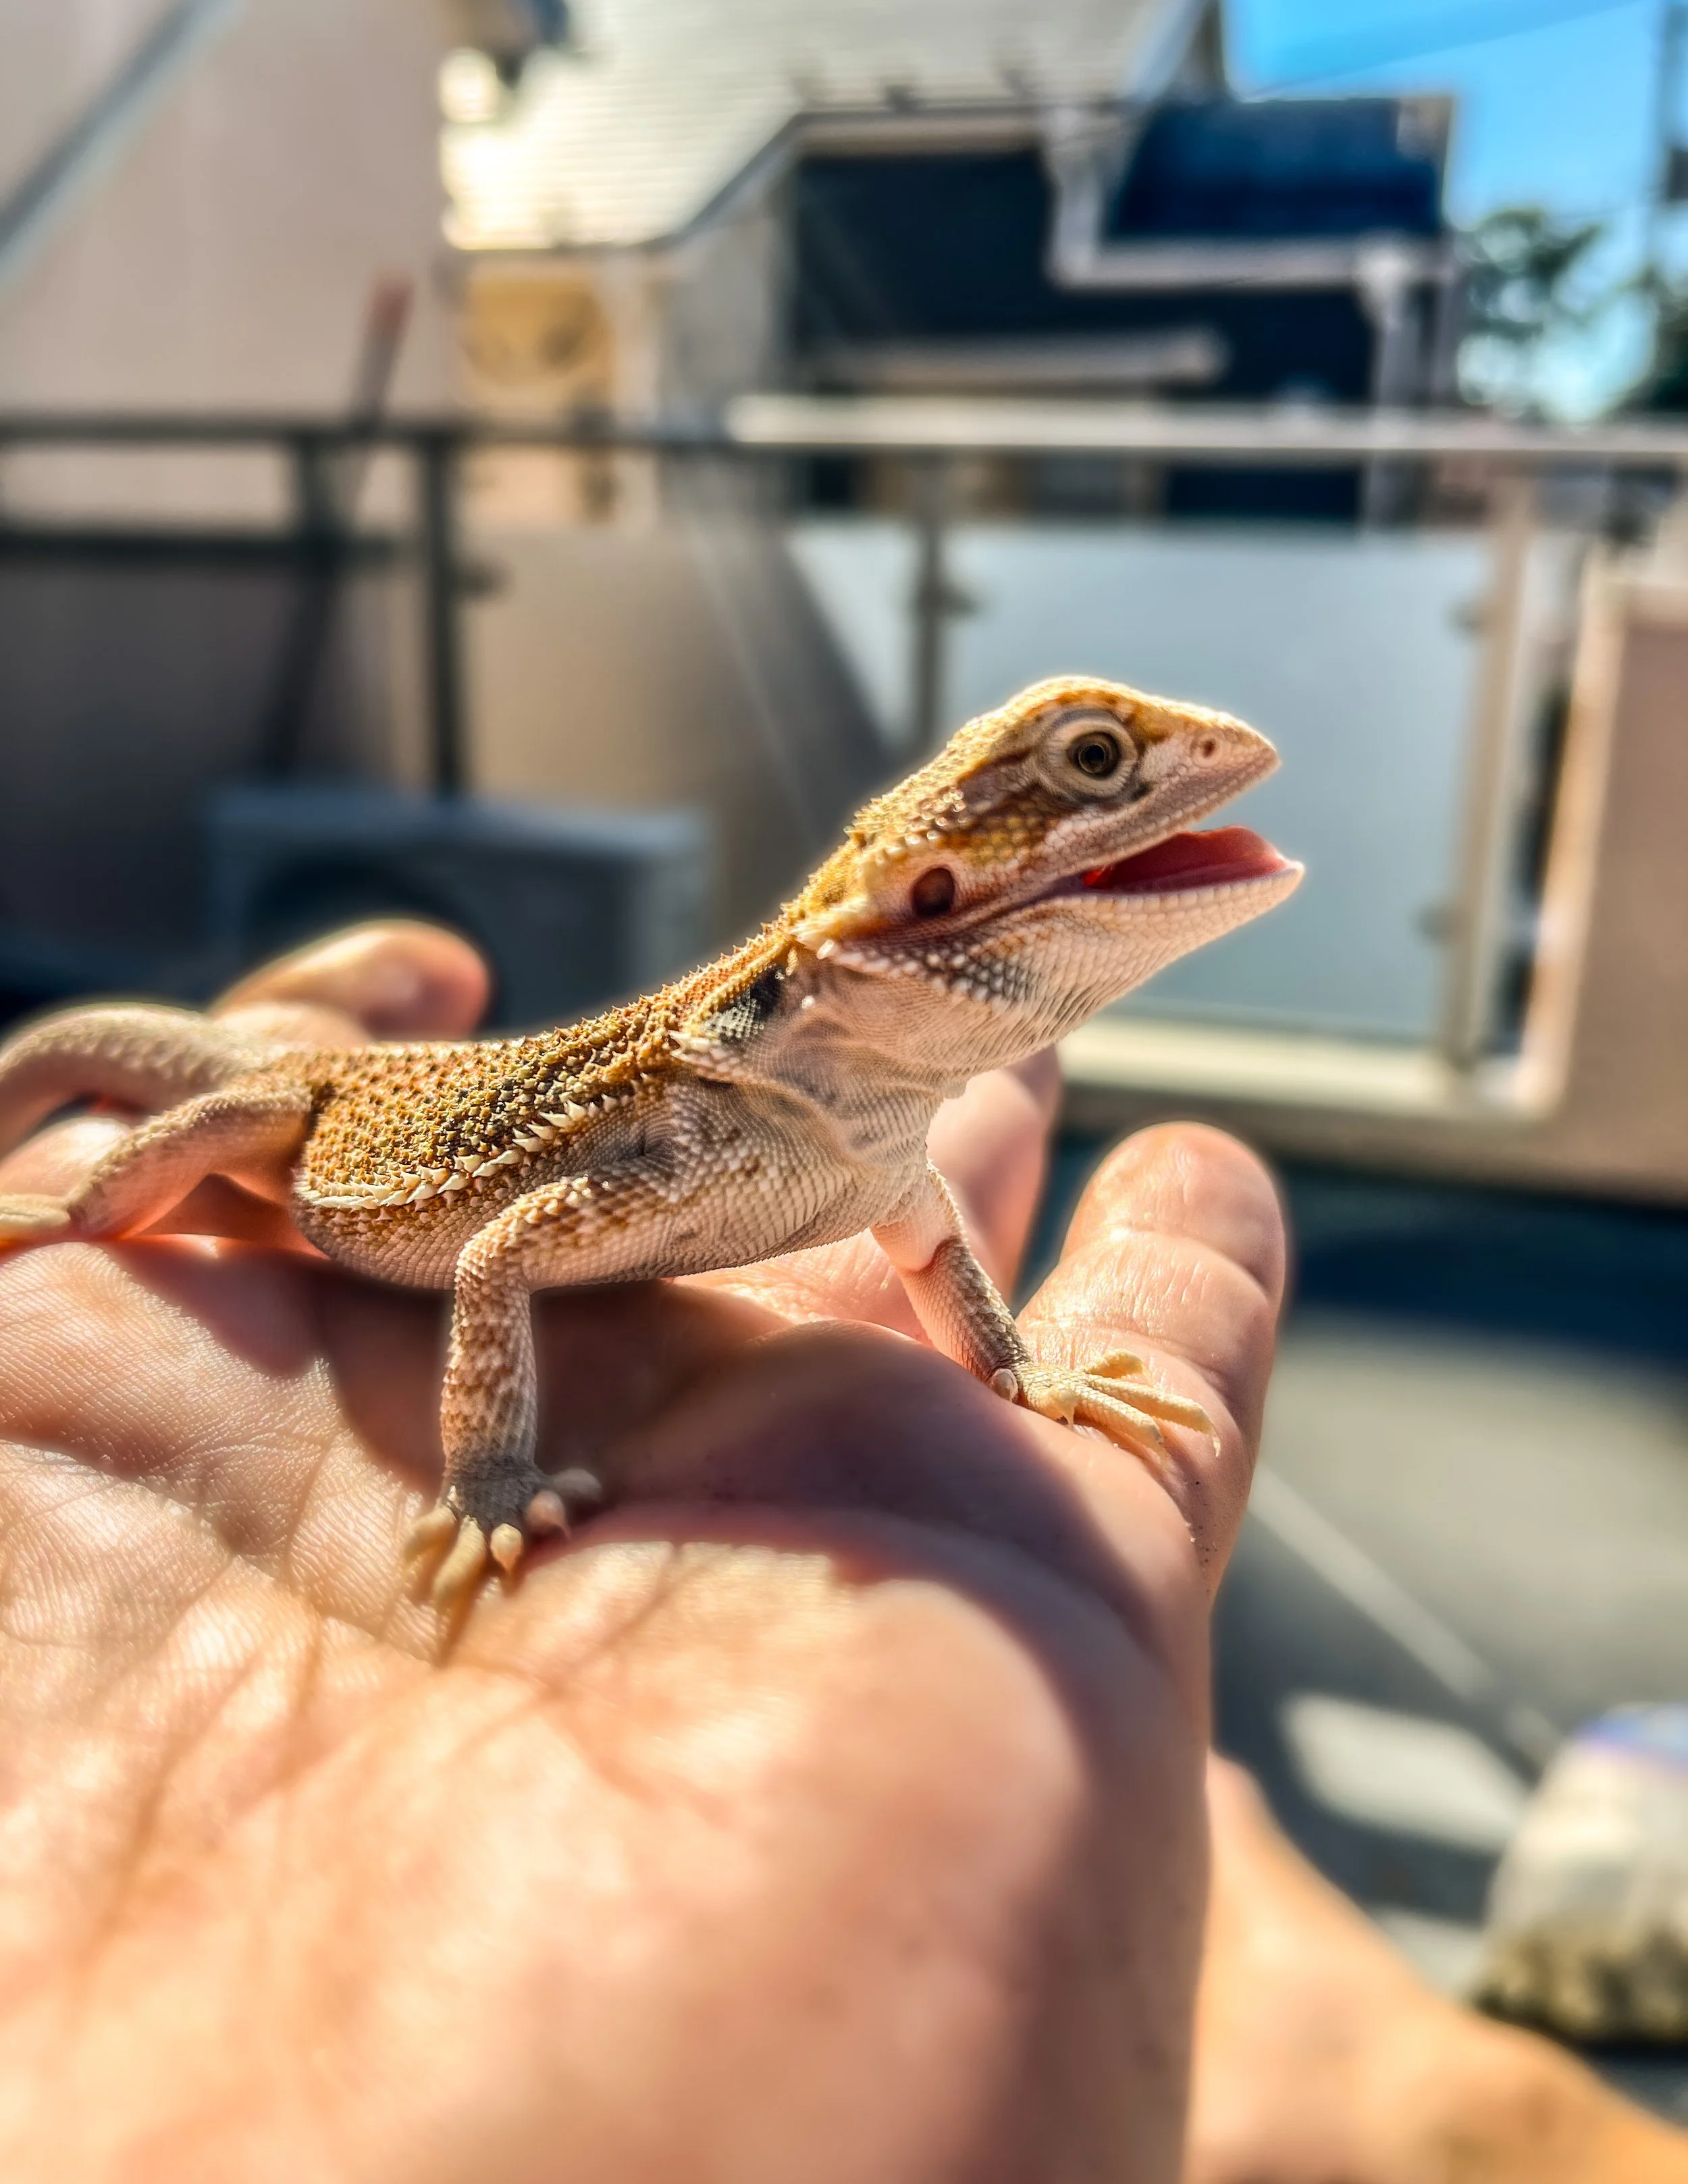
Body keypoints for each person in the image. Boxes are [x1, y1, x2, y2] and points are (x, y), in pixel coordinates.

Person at [0, 922, 1679, 2181]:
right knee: (139, 1172)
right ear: (910, 895)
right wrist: (490, 1471)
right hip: (307, 1121)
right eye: (1085, 775)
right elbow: (506, 1244)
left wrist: (1013, 1374)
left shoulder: (859, 1130)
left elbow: (926, 1238)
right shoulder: (702, 1100)